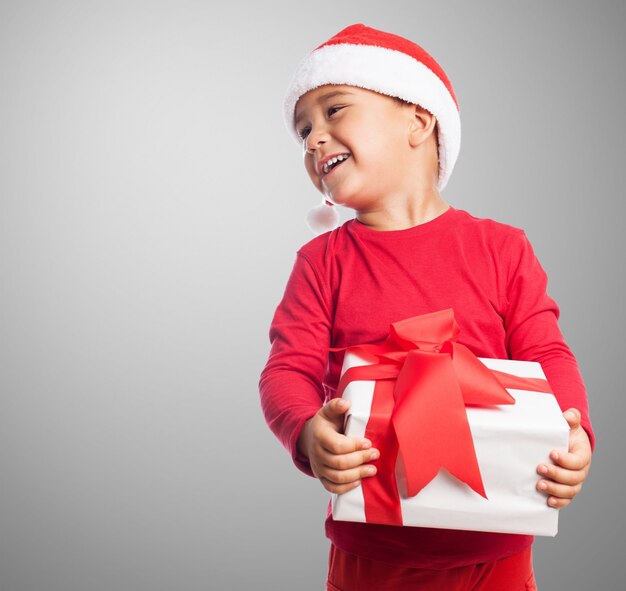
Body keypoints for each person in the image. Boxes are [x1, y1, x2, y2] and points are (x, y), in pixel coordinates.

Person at [259, 24, 594, 591]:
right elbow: (287, 370)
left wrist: (575, 431)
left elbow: (546, 353)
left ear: (419, 122)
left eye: (335, 110)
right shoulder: (322, 262)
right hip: (372, 552)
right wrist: (305, 431)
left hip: (499, 549)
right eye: (304, 131)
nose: (315, 139)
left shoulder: (502, 248)